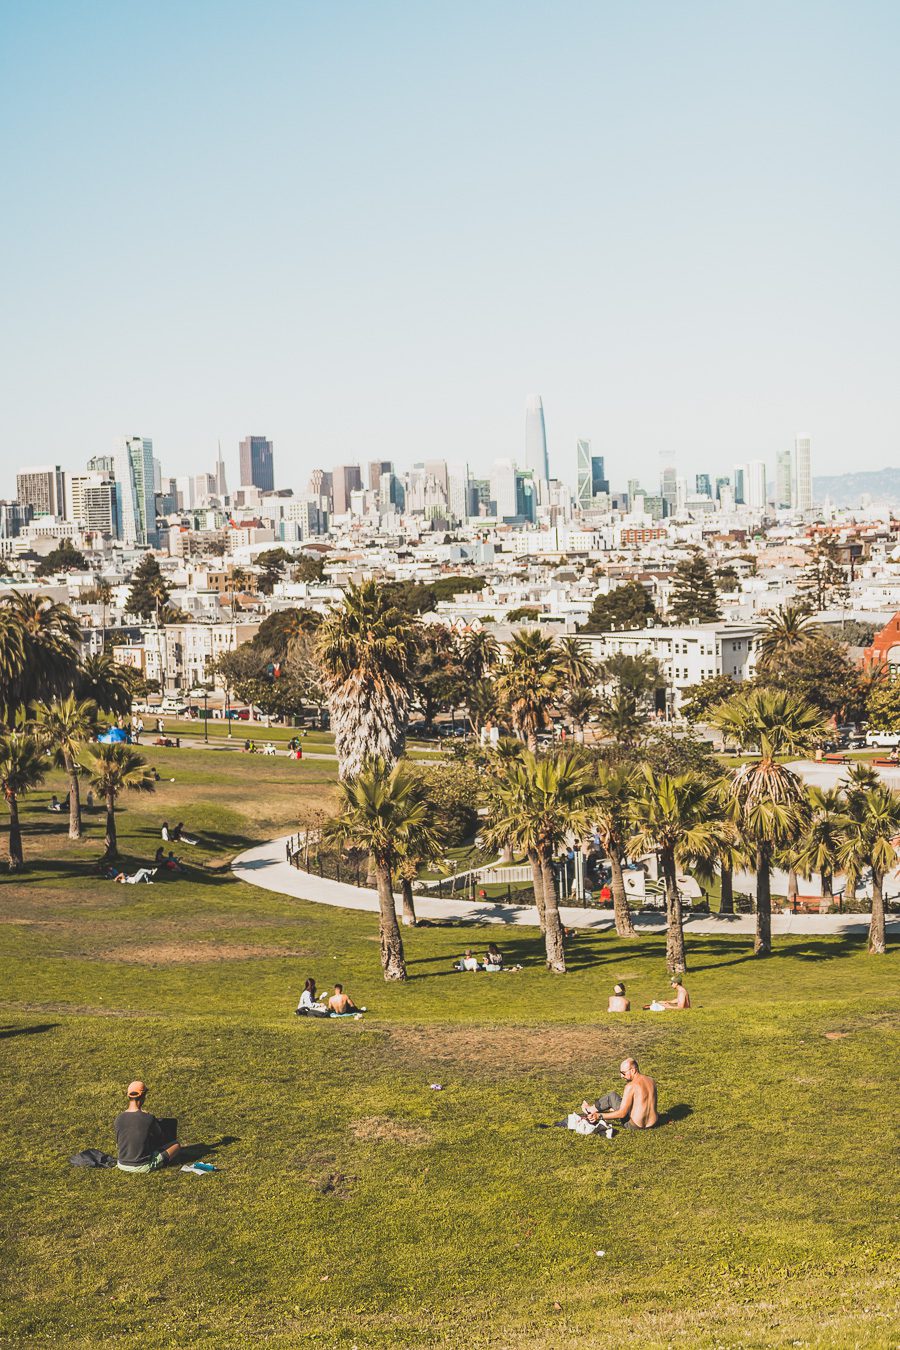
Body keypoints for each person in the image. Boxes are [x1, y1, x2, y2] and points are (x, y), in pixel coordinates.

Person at [114, 1080, 182, 1172]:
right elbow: (159, 1136)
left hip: (121, 1164)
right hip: (141, 1166)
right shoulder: (148, 1118)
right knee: (176, 1145)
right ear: (143, 1096)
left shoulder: (119, 1118)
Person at [593, 1058, 658, 1129]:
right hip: (653, 1123)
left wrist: (598, 1116)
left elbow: (622, 1114)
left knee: (612, 1096)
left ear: (633, 1070)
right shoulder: (651, 1081)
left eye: (623, 1073)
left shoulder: (631, 1086)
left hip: (635, 1125)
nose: (621, 1076)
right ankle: (608, 1109)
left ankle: (590, 1110)